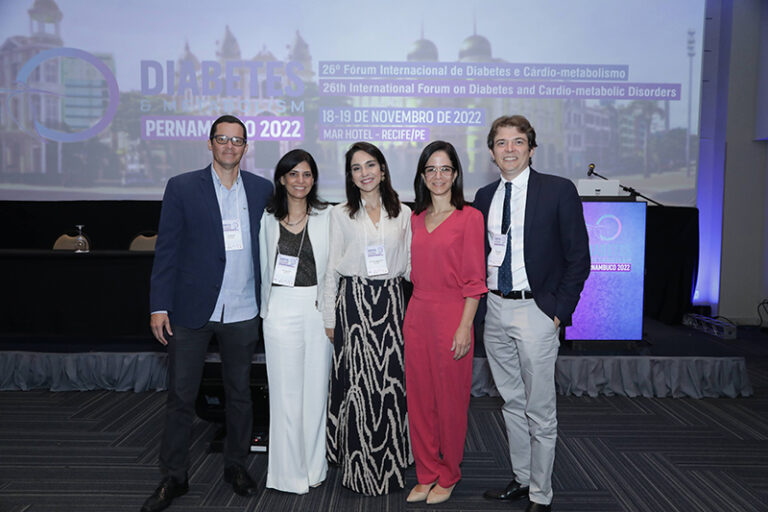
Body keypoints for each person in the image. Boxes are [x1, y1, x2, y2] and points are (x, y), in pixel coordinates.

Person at [143, 115, 272, 512]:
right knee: (181, 397)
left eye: (237, 140)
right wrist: (159, 305)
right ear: (210, 143)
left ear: (246, 147)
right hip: (190, 310)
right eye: (222, 139)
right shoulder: (182, 187)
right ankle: (174, 476)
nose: (230, 146)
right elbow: (167, 249)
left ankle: (236, 465)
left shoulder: (262, 189)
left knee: (240, 395)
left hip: (244, 308)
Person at [473, 115, 590, 512]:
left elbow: (579, 258)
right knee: (511, 402)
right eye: (501, 143)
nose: (509, 149)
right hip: (495, 309)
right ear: (492, 153)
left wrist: (558, 312)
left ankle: (542, 494)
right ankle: (522, 479)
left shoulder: (558, 190)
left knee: (540, 410)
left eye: (518, 142)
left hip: (536, 311)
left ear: (531, 149)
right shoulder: (484, 196)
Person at [323, 141, 412, 495]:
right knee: (358, 389)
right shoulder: (339, 214)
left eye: (370, 165)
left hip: (392, 303)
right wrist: (329, 318)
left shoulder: (404, 213)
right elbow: (331, 269)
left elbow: (412, 266)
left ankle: (391, 465)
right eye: (356, 168)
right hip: (354, 304)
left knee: (391, 384)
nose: (365, 173)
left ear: (383, 170)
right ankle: (358, 469)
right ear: (350, 176)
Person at [403, 141, 487, 505]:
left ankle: (449, 473)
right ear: (422, 175)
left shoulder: (470, 217)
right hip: (417, 314)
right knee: (420, 400)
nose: (438, 176)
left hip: (454, 315)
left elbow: (475, 279)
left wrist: (465, 326)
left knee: (450, 401)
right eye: (431, 169)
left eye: (445, 169)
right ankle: (426, 472)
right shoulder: (414, 218)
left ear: (455, 174)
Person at [258, 149, 332, 494]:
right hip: (279, 310)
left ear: (313, 179)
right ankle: (288, 475)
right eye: (293, 174)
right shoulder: (267, 219)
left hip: (317, 310)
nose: (300, 181)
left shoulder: (328, 216)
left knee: (316, 394)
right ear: (282, 179)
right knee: (285, 396)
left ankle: (314, 469)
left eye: (306, 174)